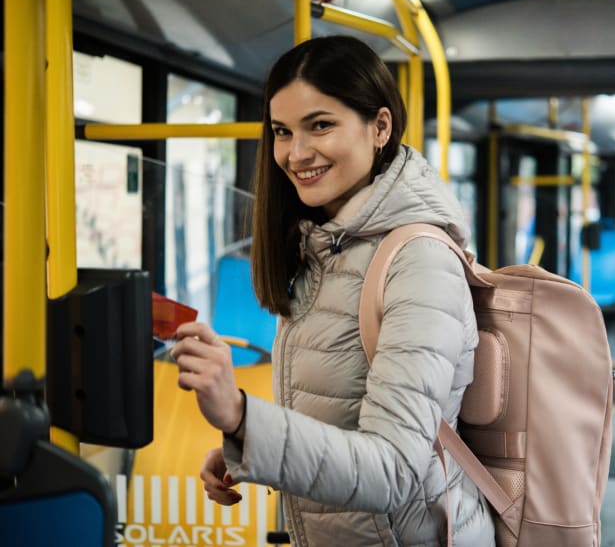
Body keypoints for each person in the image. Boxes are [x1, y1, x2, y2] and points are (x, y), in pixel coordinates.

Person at [171, 35, 495, 546]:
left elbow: (393, 471)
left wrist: (241, 416)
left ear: (380, 127)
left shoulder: (419, 262)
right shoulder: (321, 250)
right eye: (282, 132)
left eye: (320, 125)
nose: (297, 153)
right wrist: (245, 444)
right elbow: (335, 417)